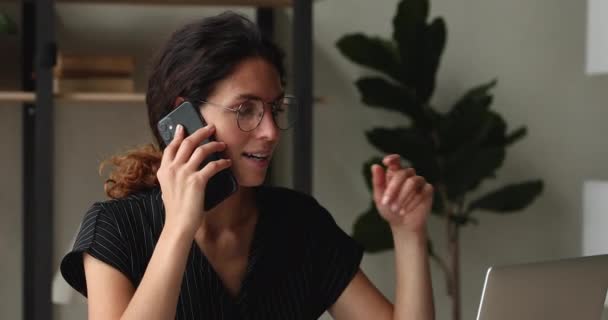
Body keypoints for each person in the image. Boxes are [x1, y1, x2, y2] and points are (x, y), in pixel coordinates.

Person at [60, 11, 435, 320]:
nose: (270, 131)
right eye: (246, 110)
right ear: (184, 115)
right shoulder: (116, 228)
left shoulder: (300, 224)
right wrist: (179, 227)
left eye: (274, 108)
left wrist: (408, 234)